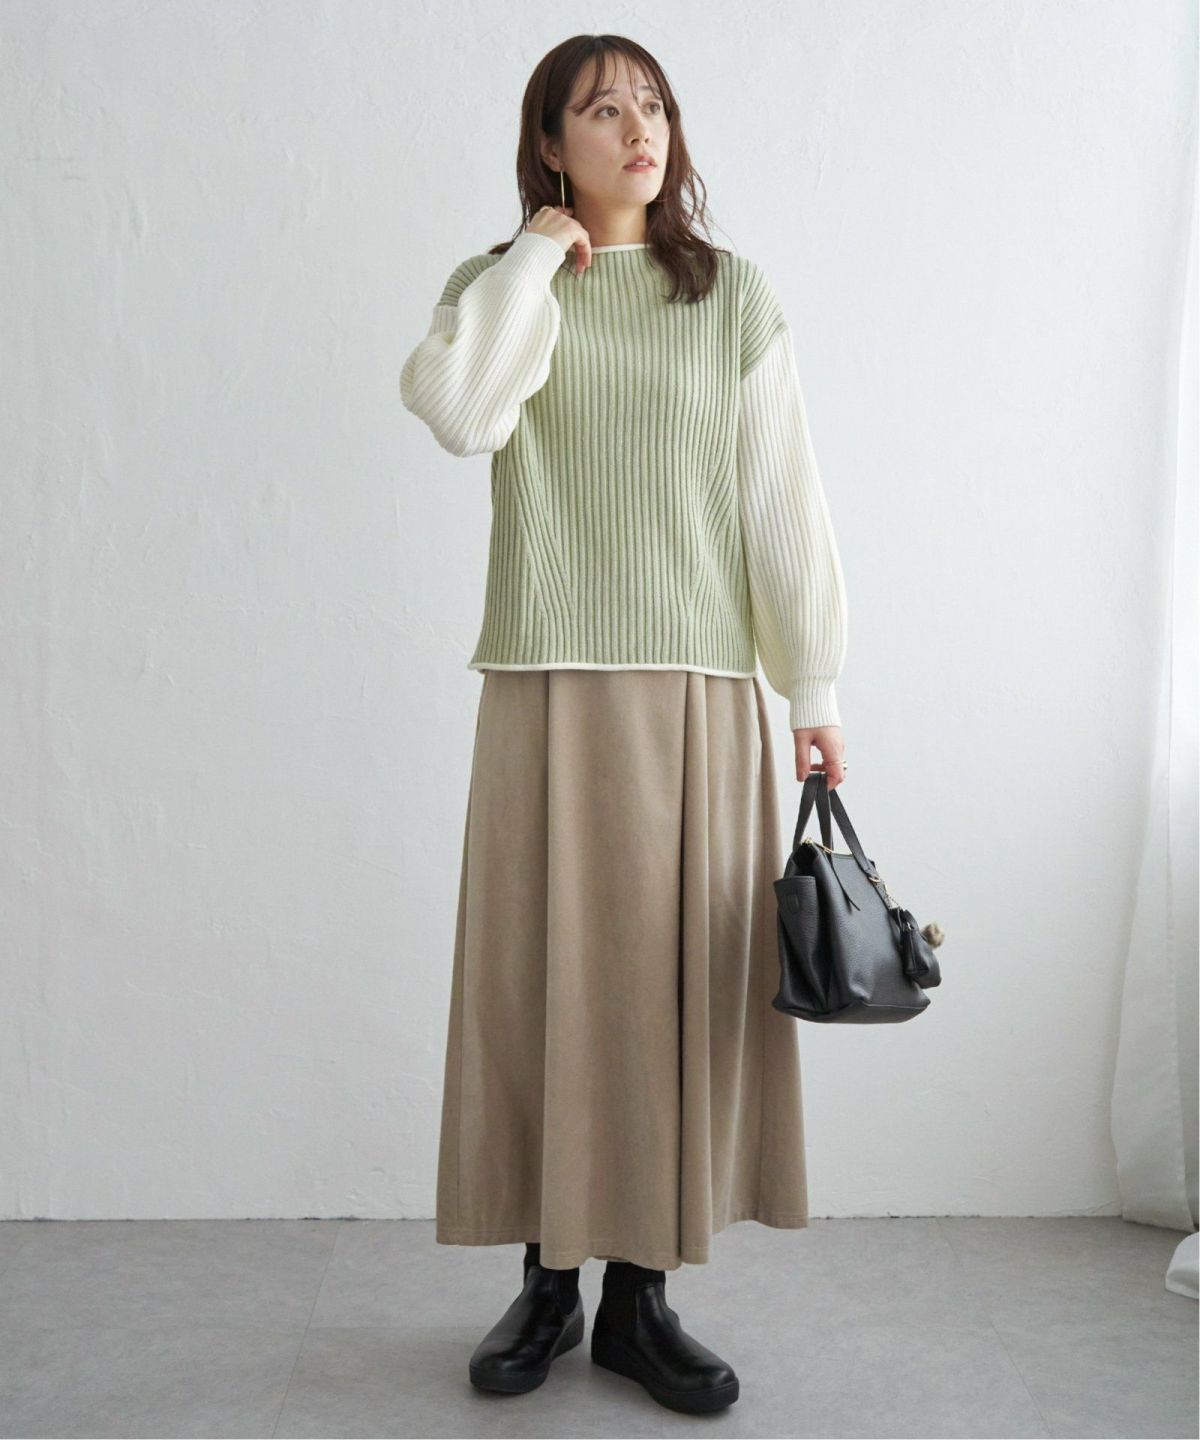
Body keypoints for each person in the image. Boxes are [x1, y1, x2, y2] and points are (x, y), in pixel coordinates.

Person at [400, 33, 849, 1417]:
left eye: (652, 105)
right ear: (552, 144)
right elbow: (458, 414)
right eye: (602, 110)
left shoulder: (730, 295)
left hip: (698, 687)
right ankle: (548, 1285)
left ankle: (641, 1301)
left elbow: (781, 496)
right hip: (544, 680)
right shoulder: (502, 285)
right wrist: (535, 259)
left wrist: (815, 688)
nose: (638, 129)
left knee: (670, 993)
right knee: (541, 981)